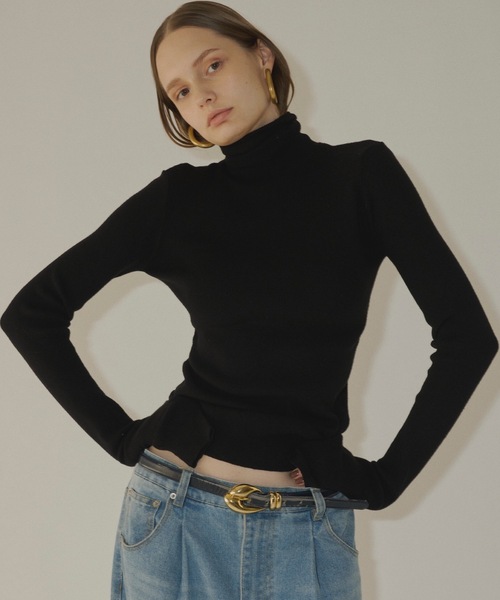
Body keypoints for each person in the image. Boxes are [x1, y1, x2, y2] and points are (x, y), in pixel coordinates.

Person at [1, 2, 497, 599]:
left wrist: (386, 480)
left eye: (212, 66)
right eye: (181, 91)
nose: (203, 96)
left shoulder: (362, 175)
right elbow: (31, 315)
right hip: (173, 519)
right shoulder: (177, 200)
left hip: (306, 530)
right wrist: (121, 438)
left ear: (262, 55)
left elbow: (468, 337)